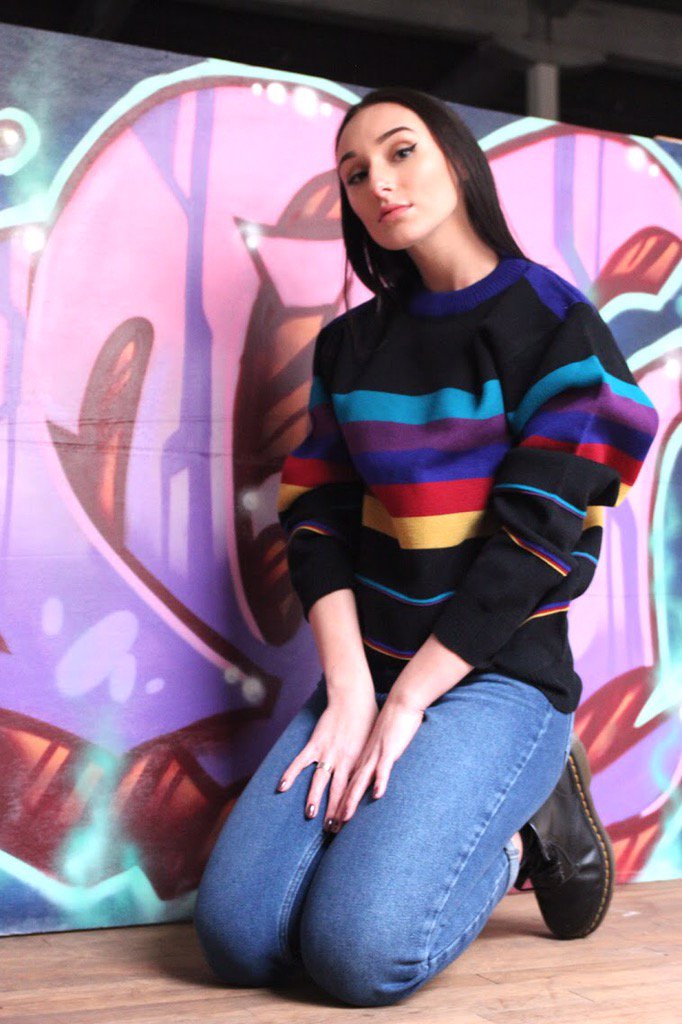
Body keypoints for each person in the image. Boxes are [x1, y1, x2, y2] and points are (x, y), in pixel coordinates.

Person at [193, 86, 659, 1007]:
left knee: (357, 955)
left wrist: (407, 701)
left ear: (457, 160)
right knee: (237, 940)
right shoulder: (351, 345)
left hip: (495, 674)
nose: (378, 182)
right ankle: (432, 803)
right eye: (354, 172)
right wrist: (351, 691)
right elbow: (316, 516)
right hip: (368, 671)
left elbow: (533, 547)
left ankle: (526, 832)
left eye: (401, 151)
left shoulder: (556, 328)